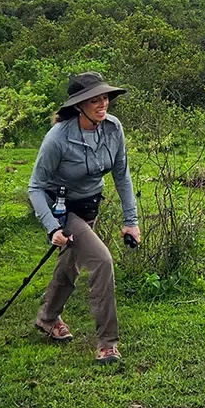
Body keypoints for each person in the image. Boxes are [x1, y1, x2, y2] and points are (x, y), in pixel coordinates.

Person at [27, 72, 140, 364]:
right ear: (79, 105)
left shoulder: (114, 129)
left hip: (90, 205)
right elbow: (36, 187)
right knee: (102, 261)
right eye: (94, 100)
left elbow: (121, 175)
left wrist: (132, 220)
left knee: (70, 264)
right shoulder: (58, 138)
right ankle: (108, 343)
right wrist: (52, 227)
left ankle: (47, 318)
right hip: (61, 207)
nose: (102, 104)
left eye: (104, 97)